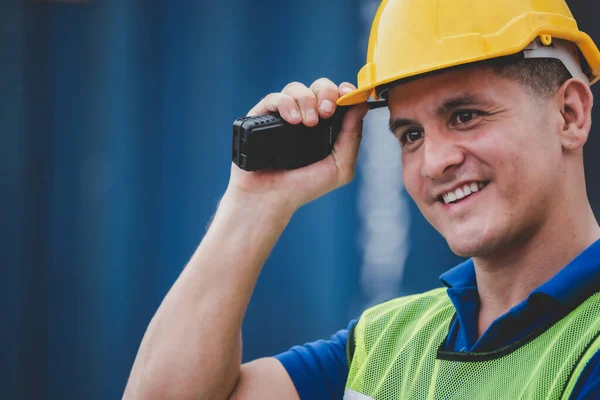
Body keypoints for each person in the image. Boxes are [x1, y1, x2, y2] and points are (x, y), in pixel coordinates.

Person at [123, 0, 600, 399]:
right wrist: (254, 202)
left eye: (465, 116)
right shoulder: (386, 343)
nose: (433, 161)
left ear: (570, 113)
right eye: (410, 134)